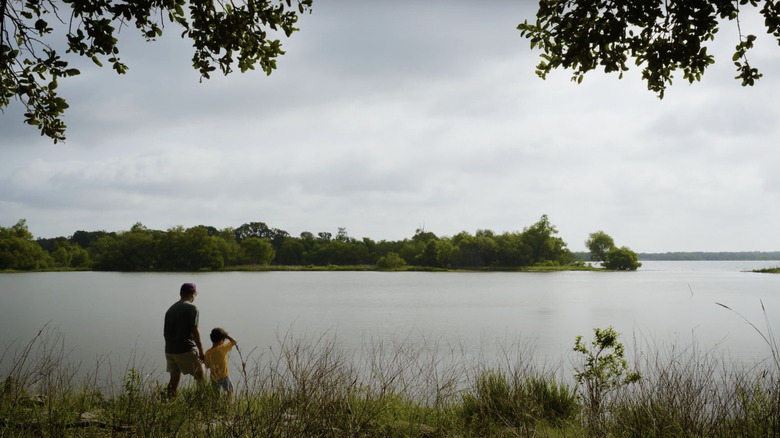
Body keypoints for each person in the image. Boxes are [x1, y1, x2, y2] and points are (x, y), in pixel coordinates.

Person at [163, 282, 205, 397]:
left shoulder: (171, 309)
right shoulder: (192, 308)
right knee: (200, 375)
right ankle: (202, 402)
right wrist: (201, 351)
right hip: (185, 348)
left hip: (170, 350)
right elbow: (194, 330)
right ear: (193, 294)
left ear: (181, 293)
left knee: (174, 378)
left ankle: (168, 402)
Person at [204, 327, 237, 397]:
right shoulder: (223, 348)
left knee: (216, 395)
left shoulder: (208, 353)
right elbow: (234, 341)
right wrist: (226, 335)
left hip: (213, 377)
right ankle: (228, 405)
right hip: (224, 375)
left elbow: (207, 366)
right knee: (230, 391)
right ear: (222, 339)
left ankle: (216, 406)